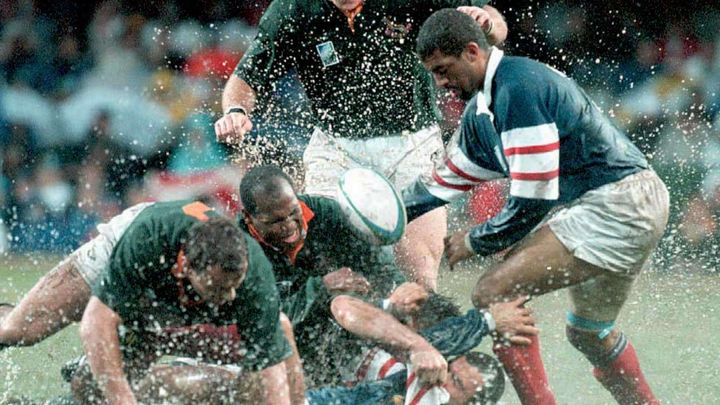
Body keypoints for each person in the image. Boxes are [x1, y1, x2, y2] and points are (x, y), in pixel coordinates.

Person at [402, 9, 670, 405]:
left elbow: (532, 198)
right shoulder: (484, 110)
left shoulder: (518, 87)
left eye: (444, 69)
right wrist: (375, 218)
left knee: (494, 292)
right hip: (624, 203)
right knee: (588, 333)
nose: (440, 83)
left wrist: (476, 241)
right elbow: (442, 184)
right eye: (433, 73)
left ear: (473, 52)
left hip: (617, 205)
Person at [214, 0, 508, 291]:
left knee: (420, 277)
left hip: (413, 143)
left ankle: (419, 328)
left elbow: (495, 26)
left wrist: (488, 23)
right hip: (335, 149)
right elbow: (247, 75)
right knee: (330, 270)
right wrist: (236, 112)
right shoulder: (293, 8)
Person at [0, 201, 304, 404]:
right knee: (20, 330)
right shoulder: (146, 243)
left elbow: (272, 372)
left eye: (233, 287)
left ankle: (90, 366)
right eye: (217, 287)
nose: (228, 299)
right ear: (186, 268)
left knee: (88, 388)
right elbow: (96, 322)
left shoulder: (253, 278)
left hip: (169, 284)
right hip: (133, 244)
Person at [94, 286, 537, 405]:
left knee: (225, 383)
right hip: (299, 374)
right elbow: (346, 307)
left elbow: (430, 351)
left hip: (301, 390)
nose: (444, 369)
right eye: (455, 367)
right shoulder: (403, 344)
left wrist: (483, 320)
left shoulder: (419, 384)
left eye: (457, 381)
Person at [238, 164, 408, 385]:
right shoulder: (238, 251)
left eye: (293, 212)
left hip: (346, 339)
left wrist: (403, 294)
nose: (289, 226)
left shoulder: (327, 213)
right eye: (276, 221)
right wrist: (321, 287)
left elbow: (382, 270)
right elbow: (265, 321)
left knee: (402, 375)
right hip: (283, 359)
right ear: (249, 219)